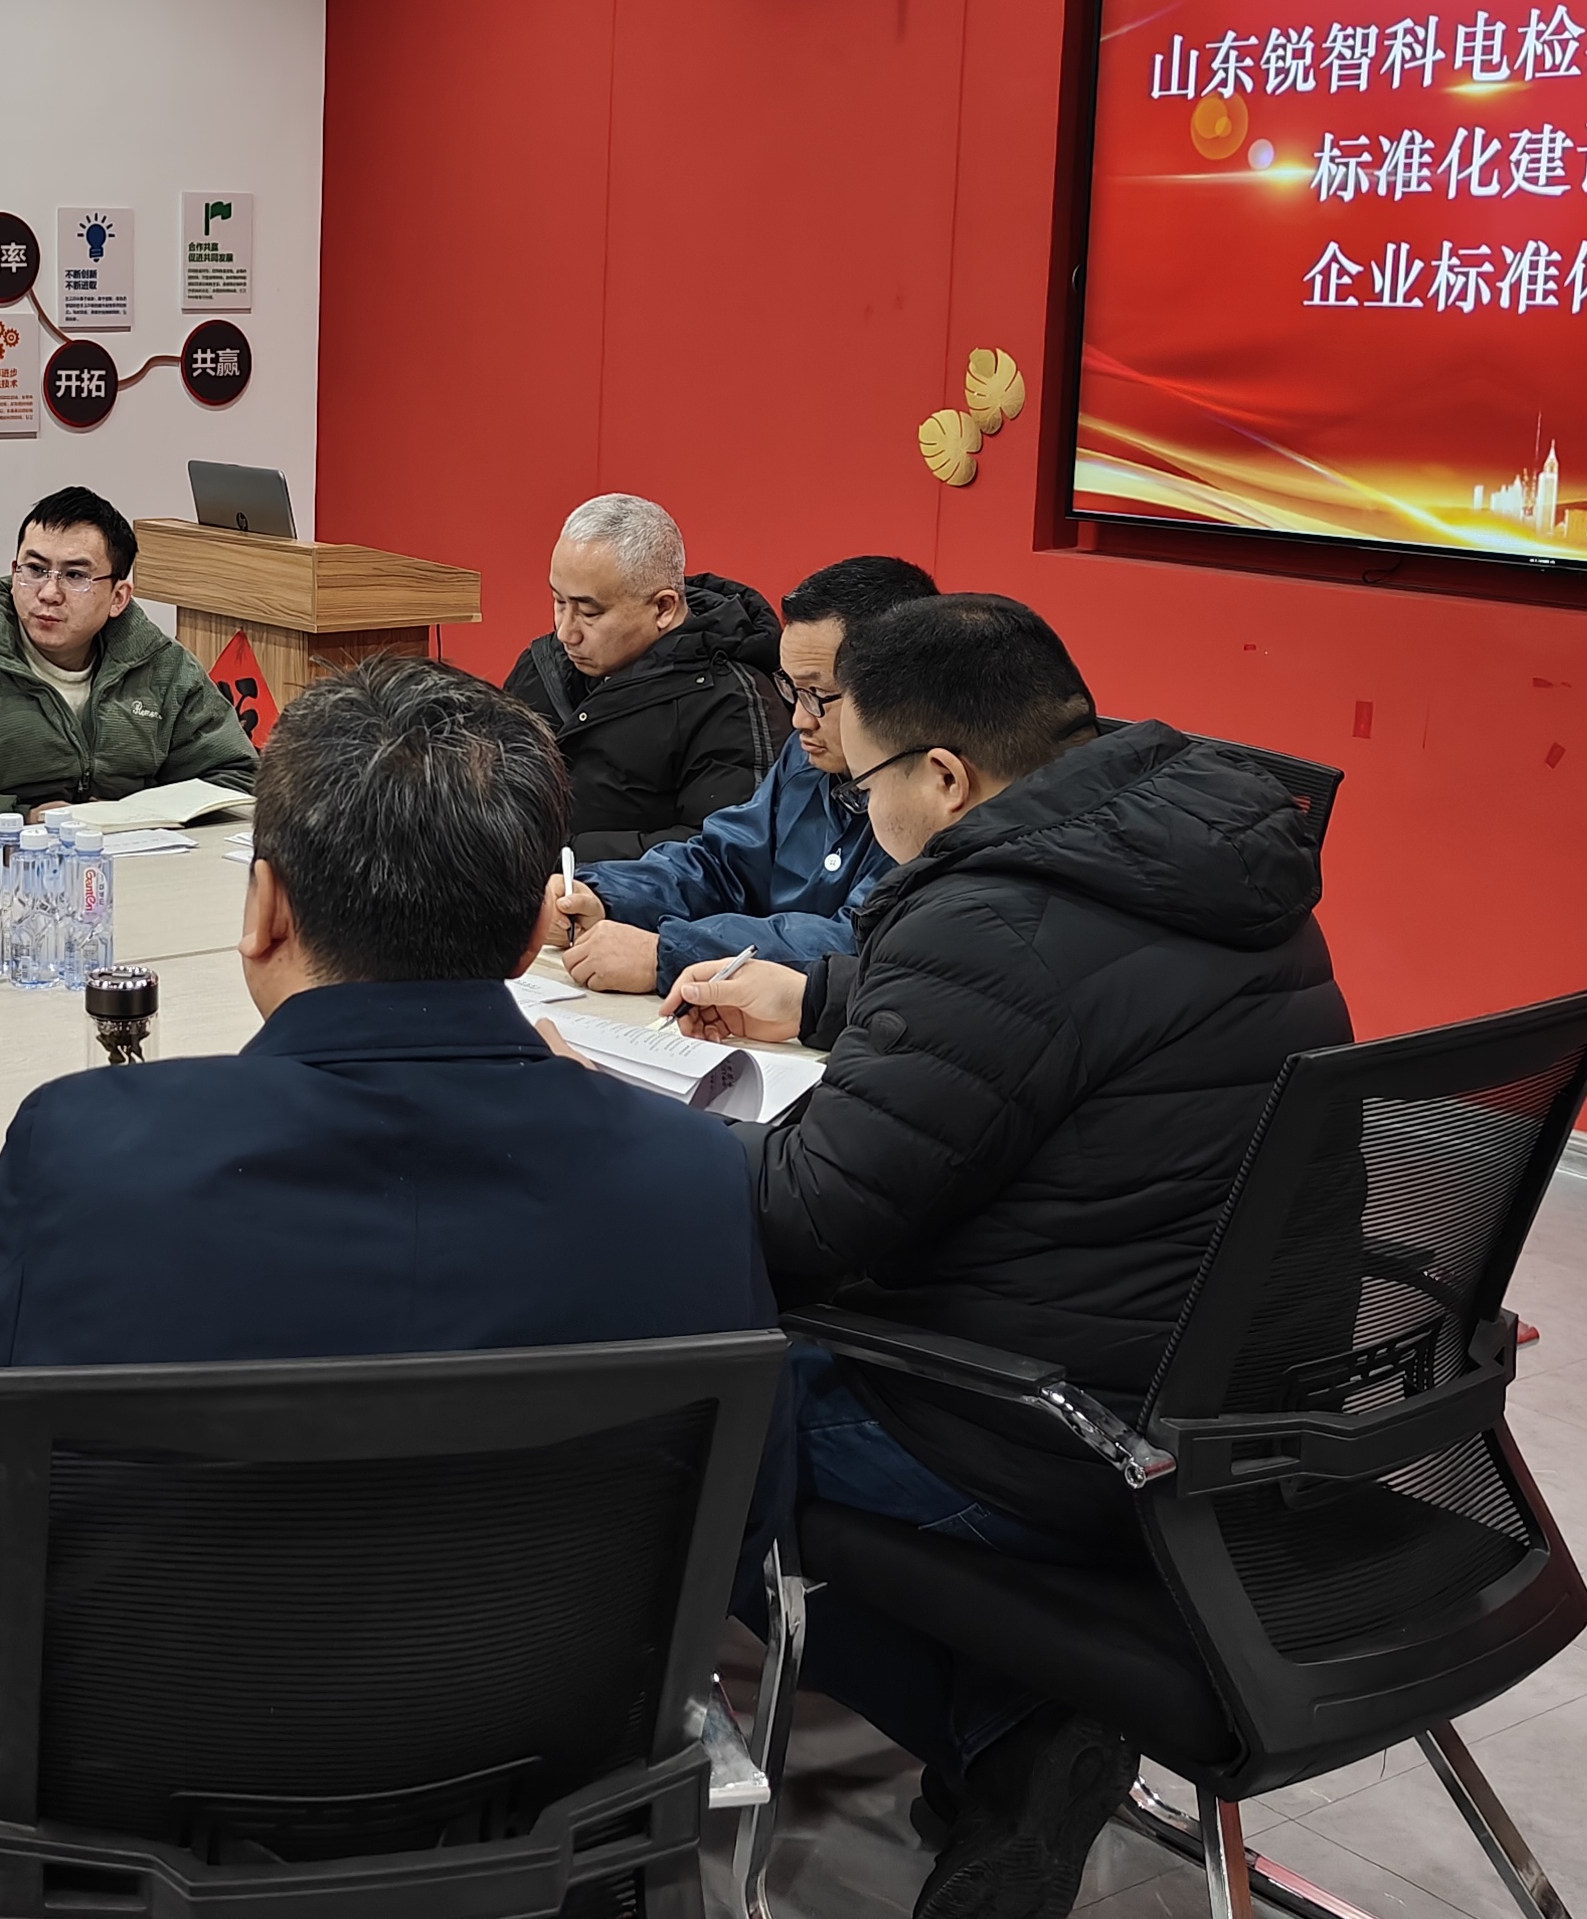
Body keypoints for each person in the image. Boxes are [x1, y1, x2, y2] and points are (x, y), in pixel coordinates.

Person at [0, 657, 780, 1919]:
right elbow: (736, 1523)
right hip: (534, 1760)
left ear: (261, 908)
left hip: (124, 1772)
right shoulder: (692, 1173)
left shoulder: (93, 1149)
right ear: (537, 927)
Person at [661, 594, 1348, 1919]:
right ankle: (1031, 1719)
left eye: (860, 779)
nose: (856, 806)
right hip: (1236, 1404)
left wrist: (638, 1137)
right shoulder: (1206, 849)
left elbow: (804, 1218)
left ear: (943, 777)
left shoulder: (993, 916)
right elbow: (1085, 1009)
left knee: (688, 1412)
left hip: (1048, 1429)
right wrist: (827, 997)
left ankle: (1014, 1726)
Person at [546, 554, 939, 992]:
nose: (799, 720)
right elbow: (722, 862)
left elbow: (859, 942)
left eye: (817, 694)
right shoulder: (806, 757)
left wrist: (670, 953)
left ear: (892, 691)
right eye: (792, 689)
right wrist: (603, 894)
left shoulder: (936, 795)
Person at [0, 485, 257, 832]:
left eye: (75, 576)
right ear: (14, 574)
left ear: (118, 597)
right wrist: (20, 818)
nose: (48, 593)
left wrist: (138, 815)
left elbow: (237, 777)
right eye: (34, 570)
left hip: (140, 861)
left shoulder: (165, 670)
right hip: (1, 866)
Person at [504, 493, 784, 862]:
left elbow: (725, 855)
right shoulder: (541, 665)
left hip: (618, 897)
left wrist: (562, 857)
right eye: (558, 602)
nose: (565, 632)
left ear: (663, 607)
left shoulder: (734, 702)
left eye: (588, 613)